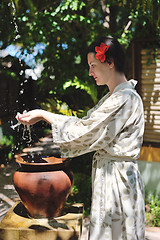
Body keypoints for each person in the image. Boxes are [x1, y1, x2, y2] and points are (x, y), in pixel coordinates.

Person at [16, 36, 145, 240]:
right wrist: (43, 114)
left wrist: (45, 115)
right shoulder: (114, 97)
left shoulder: (125, 98)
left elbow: (85, 130)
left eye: (93, 65)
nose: (90, 72)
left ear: (110, 62)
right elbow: (86, 123)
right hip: (112, 175)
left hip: (118, 181)